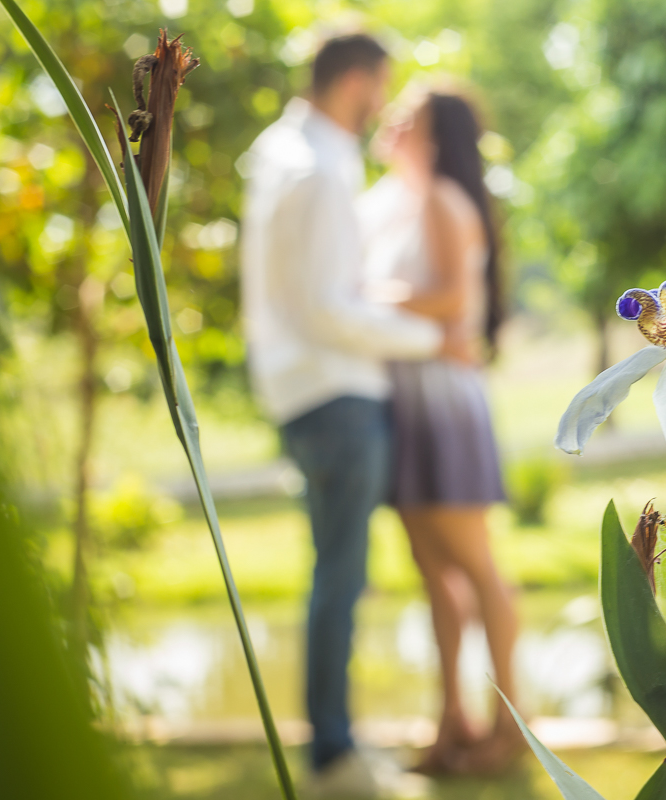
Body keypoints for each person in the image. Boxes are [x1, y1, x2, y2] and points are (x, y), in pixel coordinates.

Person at [241, 35, 458, 797]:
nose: (382, 105)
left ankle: (333, 745)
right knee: (342, 574)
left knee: (333, 571)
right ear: (358, 81)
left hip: (300, 389)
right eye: (381, 87)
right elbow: (330, 308)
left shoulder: (280, 152)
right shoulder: (321, 165)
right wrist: (434, 340)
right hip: (336, 391)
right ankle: (334, 756)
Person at [360, 86, 524, 776]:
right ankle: (453, 721)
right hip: (406, 398)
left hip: (442, 400)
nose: (391, 122)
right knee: (434, 572)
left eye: (408, 118)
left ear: (432, 136)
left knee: (475, 565)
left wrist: (360, 301)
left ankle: (513, 726)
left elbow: (454, 299)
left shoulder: (440, 200)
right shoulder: (396, 203)